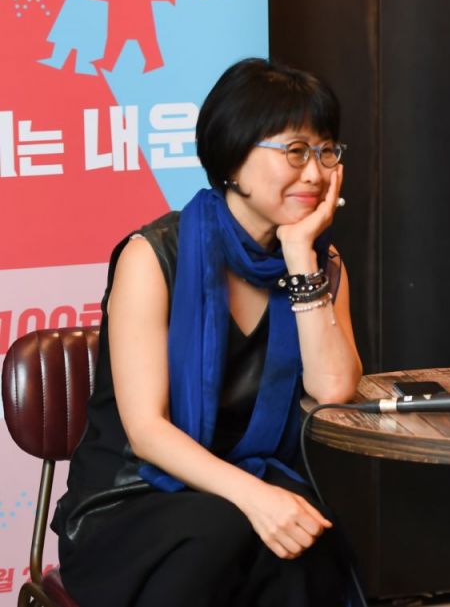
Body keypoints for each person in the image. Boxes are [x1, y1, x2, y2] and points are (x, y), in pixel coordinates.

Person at [53, 58, 365, 607]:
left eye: (325, 152)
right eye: (295, 151)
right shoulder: (154, 255)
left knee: (310, 545)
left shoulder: (319, 261)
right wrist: (256, 499)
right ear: (233, 157)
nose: (315, 173)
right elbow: (146, 431)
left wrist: (299, 256)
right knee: (225, 534)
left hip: (244, 484)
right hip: (132, 498)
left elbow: (334, 389)